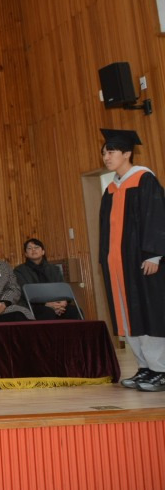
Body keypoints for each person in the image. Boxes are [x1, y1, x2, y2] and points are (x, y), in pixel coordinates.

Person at [98, 129, 165, 392]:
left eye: (111, 152)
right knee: (128, 317)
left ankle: (161, 369)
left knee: (148, 314)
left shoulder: (144, 180)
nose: (106, 157)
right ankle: (144, 367)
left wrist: (154, 254)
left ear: (127, 153)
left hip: (142, 262)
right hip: (118, 265)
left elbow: (156, 217)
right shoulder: (111, 189)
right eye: (104, 153)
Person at [14, 238, 81, 320]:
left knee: (75, 311)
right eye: (29, 248)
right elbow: (24, 293)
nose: (33, 250)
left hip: (56, 303)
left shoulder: (54, 269)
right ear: (26, 254)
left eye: (36, 247)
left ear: (43, 252)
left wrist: (63, 302)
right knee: (47, 312)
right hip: (33, 305)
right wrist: (46, 304)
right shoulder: (19, 271)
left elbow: (62, 289)